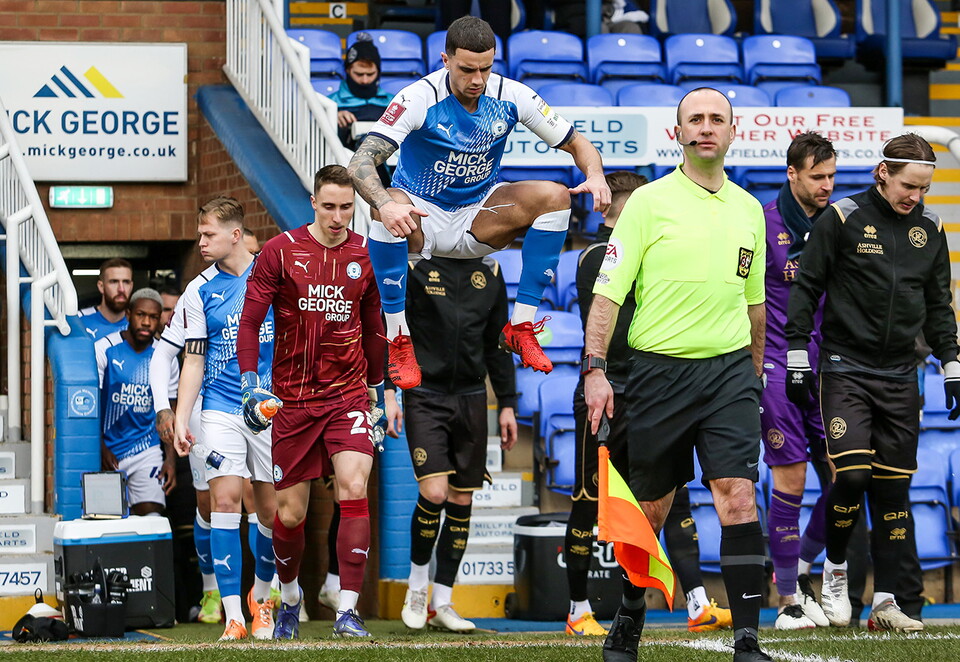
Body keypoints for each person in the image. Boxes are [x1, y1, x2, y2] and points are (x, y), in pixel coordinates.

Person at [583, 88, 771, 662]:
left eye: (717, 119)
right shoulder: (646, 203)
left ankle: (747, 639)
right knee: (653, 509)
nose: (706, 127)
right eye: (696, 119)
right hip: (658, 375)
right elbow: (608, 294)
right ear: (678, 133)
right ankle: (630, 613)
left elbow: (755, 304)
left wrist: (754, 376)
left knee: (738, 496)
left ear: (733, 132)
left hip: (729, 374)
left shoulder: (750, 210)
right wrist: (594, 369)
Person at [348, 15, 611, 392]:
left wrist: (596, 174)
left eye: (485, 68)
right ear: (445, 60)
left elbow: (576, 142)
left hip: (479, 215)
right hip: (420, 216)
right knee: (383, 203)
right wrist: (387, 205)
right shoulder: (418, 97)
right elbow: (360, 162)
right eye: (467, 69)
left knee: (556, 196)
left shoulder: (512, 95)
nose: (477, 79)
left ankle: (520, 326)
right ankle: (399, 338)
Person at [785, 133, 960, 633]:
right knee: (853, 476)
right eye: (908, 186)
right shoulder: (842, 218)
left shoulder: (931, 227)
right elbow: (807, 286)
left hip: (902, 374)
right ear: (883, 173)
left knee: (894, 491)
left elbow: (938, 304)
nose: (915, 197)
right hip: (845, 368)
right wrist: (796, 352)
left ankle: (887, 602)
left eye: (924, 189)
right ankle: (835, 569)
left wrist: (952, 364)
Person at [566, 170, 731, 637]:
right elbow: (612, 326)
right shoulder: (597, 255)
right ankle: (578, 610)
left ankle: (696, 602)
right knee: (588, 499)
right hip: (608, 391)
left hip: (656, 390)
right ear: (622, 207)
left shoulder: (652, 251)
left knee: (672, 494)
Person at [236, 165, 386, 639]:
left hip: (348, 395)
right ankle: (291, 599)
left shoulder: (367, 254)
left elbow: (375, 327)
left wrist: (380, 393)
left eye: (347, 207)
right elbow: (249, 321)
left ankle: (347, 611)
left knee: (354, 487)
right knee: (290, 514)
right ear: (313, 204)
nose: (338, 217)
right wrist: (250, 383)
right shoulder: (280, 251)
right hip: (293, 401)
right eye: (330, 207)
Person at [387, 254, 519, 632]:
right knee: (434, 492)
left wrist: (507, 403)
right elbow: (396, 331)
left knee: (462, 499)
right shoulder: (414, 268)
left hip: (472, 397)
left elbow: (498, 341)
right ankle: (417, 588)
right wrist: (390, 392)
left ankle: (443, 601)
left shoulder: (490, 272)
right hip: (424, 393)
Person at [172, 197, 278, 641]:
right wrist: (182, 417)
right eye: (200, 234)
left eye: (208, 234)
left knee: (271, 512)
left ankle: (262, 600)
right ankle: (234, 616)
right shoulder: (198, 291)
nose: (201, 242)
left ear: (235, 235)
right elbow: (193, 360)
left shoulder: (273, 274)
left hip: (270, 408)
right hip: (219, 408)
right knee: (226, 501)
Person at [760, 132, 837, 630]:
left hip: (830, 366)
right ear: (792, 174)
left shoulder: (840, 223)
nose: (827, 185)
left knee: (850, 474)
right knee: (791, 478)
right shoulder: (762, 222)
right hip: (777, 365)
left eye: (832, 176)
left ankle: (802, 567)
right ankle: (787, 599)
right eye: (817, 177)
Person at [150, 280, 223, 625]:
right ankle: (211, 593)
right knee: (207, 506)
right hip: (195, 418)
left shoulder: (247, 294)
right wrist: (167, 411)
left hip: (243, 409)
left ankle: (266, 592)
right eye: (166, 309)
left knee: (256, 501)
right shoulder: (188, 314)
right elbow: (164, 359)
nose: (169, 315)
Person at [96, 288, 178, 516]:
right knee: (108, 519)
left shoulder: (166, 356)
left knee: (151, 515)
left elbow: (170, 411)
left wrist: (170, 460)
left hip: (146, 450)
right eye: (141, 315)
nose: (146, 322)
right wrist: (100, 447)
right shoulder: (104, 349)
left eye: (153, 317)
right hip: (109, 450)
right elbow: (91, 405)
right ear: (129, 314)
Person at [328, 36, 392, 150]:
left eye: (370, 74)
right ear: (347, 70)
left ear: (378, 72)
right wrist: (331, 117)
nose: (365, 80)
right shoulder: (329, 104)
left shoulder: (393, 103)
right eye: (359, 74)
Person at [80, 258, 134, 340]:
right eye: (114, 282)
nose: (121, 289)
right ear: (101, 286)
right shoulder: (79, 320)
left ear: (131, 286)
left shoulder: (140, 325)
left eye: (126, 282)